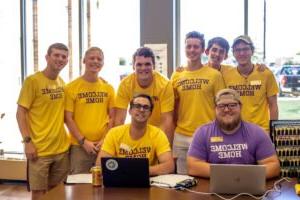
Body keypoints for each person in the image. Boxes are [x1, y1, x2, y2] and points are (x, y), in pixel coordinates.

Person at [16, 43, 70, 200]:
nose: (60, 59)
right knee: (39, 194)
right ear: (47, 57)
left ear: (67, 61)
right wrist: (27, 142)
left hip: (61, 150)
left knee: (58, 192)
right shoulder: (32, 81)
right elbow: (20, 113)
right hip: (39, 151)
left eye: (64, 56)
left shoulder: (62, 83)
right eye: (56, 55)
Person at [187, 88, 280, 179]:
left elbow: (273, 166)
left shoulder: (257, 132)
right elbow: (193, 166)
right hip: (213, 191)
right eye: (221, 106)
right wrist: (231, 174)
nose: (227, 110)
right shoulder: (202, 133)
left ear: (241, 106)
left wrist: (243, 177)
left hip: (248, 190)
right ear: (215, 109)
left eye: (232, 105)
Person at [171, 31, 225, 174]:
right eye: (189, 46)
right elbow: (173, 107)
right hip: (181, 136)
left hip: (208, 134)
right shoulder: (177, 75)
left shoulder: (215, 75)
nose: (192, 50)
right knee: (182, 180)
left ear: (203, 50)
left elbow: (221, 106)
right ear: (184, 49)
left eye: (196, 47)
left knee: (209, 178)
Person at [64, 47, 115, 174]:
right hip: (79, 146)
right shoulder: (71, 88)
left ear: (103, 63)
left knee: (104, 185)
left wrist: (105, 140)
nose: (95, 61)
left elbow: (113, 118)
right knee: (79, 187)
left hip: (104, 146)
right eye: (92, 58)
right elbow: (68, 118)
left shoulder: (108, 88)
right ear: (84, 61)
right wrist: (83, 141)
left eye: (99, 59)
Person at [96, 94, 174, 176]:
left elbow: (169, 166)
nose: (141, 110)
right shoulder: (114, 133)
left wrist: (139, 171)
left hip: (147, 181)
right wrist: (126, 172)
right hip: (120, 181)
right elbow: (99, 165)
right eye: (137, 106)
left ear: (150, 114)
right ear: (130, 111)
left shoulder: (158, 134)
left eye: (146, 107)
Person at [114, 47, 174, 142]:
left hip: (158, 134)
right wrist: (118, 143)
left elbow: (166, 121)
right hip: (135, 134)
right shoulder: (125, 84)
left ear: (153, 66)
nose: (143, 68)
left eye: (147, 64)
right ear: (133, 67)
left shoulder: (164, 85)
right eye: (139, 64)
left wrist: (161, 146)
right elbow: (119, 119)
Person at [222, 35, 279, 132]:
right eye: (237, 50)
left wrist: (273, 131)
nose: (242, 53)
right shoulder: (226, 74)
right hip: (235, 131)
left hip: (261, 131)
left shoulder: (265, 74)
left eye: (245, 49)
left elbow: (273, 105)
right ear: (233, 53)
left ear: (252, 51)